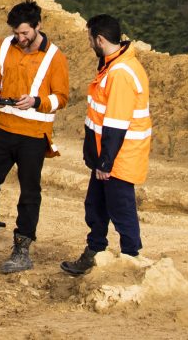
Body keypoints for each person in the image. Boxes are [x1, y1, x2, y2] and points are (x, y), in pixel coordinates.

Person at [0, 0, 69, 274]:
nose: (20, 38)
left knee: (29, 192)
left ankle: (22, 248)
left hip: (34, 134)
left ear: (38, 26)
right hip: (3, 128)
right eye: (16, 33)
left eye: (25, 33)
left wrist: (36, 101)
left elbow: (62, 98)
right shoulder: (3, 46)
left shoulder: (55, 57)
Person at [61, 14, 152, 275]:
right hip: (109, 157)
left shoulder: (121, 73)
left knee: (121, 211)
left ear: (100, 39)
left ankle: (131, 261)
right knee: (96, 207)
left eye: (90, 38)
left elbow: (116, 123)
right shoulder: (113, 65)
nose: (89, 43)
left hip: (117, 159)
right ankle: (95, 254)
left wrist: (105, 162)